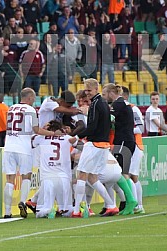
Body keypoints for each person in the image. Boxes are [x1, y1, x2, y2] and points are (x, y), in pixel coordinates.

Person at [3, 88, 63, 218]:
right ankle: (23, 202)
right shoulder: (30, 110)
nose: (34, 101)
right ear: (29, 98)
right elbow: (36, 130)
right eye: (33, 98)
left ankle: (7, 212)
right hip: (23, 148)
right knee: (26, 176)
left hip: (8, 146)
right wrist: (52, 133)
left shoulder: (11, 108)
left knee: (9, 179)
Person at [72, 78, 119, 217]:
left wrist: (77, 136)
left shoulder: (95, 104)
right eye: (86, 90)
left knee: (81, 174)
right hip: (104, 145)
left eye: (89, 90)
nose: (87, 93)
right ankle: (111, 205)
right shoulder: (104, 103)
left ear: (96, 89)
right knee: (92, 177)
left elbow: (92, 127)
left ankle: (77, 211)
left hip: (94, 144)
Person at [102, 83, 138, 215]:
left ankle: (131, 201)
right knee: (124, 172)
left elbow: (108, 119)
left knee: (121, 173)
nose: (105, 98)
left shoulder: (117, 105)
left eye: (105, 94)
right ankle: (131, 202)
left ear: (112, 93)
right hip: (127, 140)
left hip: (123, 141)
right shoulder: (124, 104)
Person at [33, 120, 77, 218]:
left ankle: (49, 210)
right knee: (68, 211)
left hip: (47, 178)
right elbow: (79, 145)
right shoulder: (67, 138)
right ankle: (76, 209)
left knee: (41, 211)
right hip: (64, 178)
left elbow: (31, 141)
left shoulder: (40, 138)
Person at [122, 86, 145, 214]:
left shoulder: (133, 108)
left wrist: (127, 131)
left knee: (131, 175)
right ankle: (138, 205)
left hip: (136, 144)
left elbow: (141, 128)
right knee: (131, 175)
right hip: (130, 144)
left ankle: (138, 205)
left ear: (125, 96)